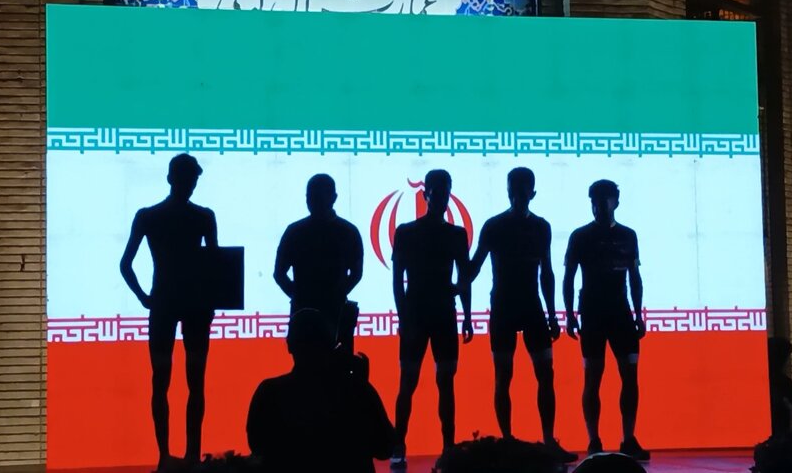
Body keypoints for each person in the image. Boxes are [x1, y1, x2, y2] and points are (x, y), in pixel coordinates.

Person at [466, 167, 576, 462]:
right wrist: (455, 283)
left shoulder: (541, 227)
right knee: (503, 376)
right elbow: (474, 266)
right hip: (503, 307)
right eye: (513, 190)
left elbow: (546, 273)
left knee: (545, 374)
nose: (517, 195)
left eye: (522, 190)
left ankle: (549, 441)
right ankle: (506, 441)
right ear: (507, 191)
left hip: (531, 307)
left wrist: (552, 315)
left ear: (532, 193)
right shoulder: (494, 226)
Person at [120, 154, 218, 470]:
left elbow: (125, 265)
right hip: (193, 305)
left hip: (165, 303)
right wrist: (211, 301)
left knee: (164, 381)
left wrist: (144, 297)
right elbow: (214, 265)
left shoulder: (150, 216)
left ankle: (167, 455)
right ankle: (188, 455)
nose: (191, 185)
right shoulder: (202, 217)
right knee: (192, 382)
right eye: (191, 179)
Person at [390, 169, 474, 468]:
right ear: (426, 194)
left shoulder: (453, 234)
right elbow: (397, 280)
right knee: (410, 382)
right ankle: (400, 444)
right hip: (421, 314)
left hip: (438, 313)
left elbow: (464, 278)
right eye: (437, 191)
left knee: (443, 382)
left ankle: (446, 446)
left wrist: (466, 316)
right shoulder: (408, 232)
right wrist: (404, 317)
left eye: (444, 192)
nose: (440, 197)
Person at [246, 308, 395, 473]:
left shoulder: (269, 393)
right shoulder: (355, 390)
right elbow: (385, 447)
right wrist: (362, 387)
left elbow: (258, 447)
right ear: (331, 346)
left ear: (289, 345)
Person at [563, 180, 649, 460]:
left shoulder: (628, 235)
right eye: (594, 200)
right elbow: (568, 277)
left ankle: (629, 439)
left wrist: (638, 314)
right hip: (592, 313)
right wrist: (569, 315)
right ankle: (594, 441)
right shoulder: (580, 236)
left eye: (604, 199)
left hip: (621, 313)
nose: (598, 205)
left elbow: (635, 277)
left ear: (616, 202)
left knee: (630, 376)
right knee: (592, 377)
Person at [274, 174, 364, 354]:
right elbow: (356, 274)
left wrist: (300, 296)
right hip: (326, 311)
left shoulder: (296, 231)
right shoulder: (348, 231)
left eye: (317, 197)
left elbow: (279, 274)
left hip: (316, 312)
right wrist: (335, 295)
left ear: (333, 198)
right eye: (310, 197)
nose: (313, 201)